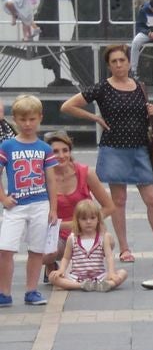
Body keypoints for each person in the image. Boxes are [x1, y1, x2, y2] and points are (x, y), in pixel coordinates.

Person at [61, 44, 153, 263]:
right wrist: (94, 118)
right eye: (114, 61)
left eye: (122, 60)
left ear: (129, 62)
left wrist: (151, 111)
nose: (119, 64)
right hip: (114, 149)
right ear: (109, 65)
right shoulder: (102, 87)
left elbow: (145, 115)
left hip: (140, 148)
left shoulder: (139, 86)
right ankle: (124, 248)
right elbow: (68, 106)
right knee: (119, 200)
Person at [0, 94, 57, 306]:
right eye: (23, 119)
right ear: (15, 119)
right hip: (16, 205)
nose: (27, 124)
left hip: (40, 203)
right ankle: (4, 292)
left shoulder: (45, 148)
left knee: (36, 249)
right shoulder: (7, 146)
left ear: (40, 118)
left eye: (32, 119)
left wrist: (53, 208)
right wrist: (3, 198)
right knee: (5, 248)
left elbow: (51, 180)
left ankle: (31, 290)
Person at [42, 130, 115, 278]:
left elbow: (109, 206)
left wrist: (90, 220)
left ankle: (85, 264)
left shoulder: (85, 173)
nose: (61, 156)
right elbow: (37, 214)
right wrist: (66, 225)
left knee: (109, 241)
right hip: (58, 232)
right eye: (55, 151)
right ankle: (51, 265)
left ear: (70, 151)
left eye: (65, 150)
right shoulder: (42, 176)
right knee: (43, 255)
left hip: (86, 230)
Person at [48, 199, 126, 292]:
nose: (88, 222)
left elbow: (109, 257)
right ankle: (81, 285)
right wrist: (61, 270)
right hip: (77, 276)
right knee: (52, 277)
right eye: (84, 219)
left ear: (98, 219)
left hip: (99, 276)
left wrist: (111, 273)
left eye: (92, 218)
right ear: (77, 221)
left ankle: (108, 284)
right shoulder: (72, 238)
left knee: (123, 273)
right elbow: (66, 258)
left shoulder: (103, 237)